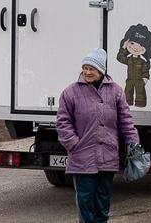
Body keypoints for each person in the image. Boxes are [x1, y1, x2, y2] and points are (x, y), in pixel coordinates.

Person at [57, 48, 140, 222]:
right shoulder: (70, 93)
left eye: (91, 69)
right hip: (82, 156)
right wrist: (74, 145)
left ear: (101, 71)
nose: (87, 72)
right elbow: (63, 123)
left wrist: (133, 142)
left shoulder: (116, 91)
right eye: (85, 68)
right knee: (85, 201)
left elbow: (126, 121)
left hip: (107, 156)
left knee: (103, 201)